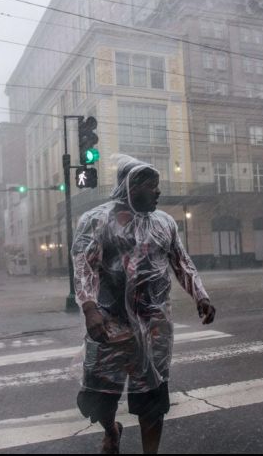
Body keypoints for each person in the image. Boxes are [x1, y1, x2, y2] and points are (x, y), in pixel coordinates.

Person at [72, 154, 216, 454]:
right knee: (98, 398)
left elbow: (181, 261)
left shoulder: (164, 223)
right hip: (109, 324)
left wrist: (200, 295)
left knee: (152, 400)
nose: (158, 192)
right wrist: (89, 309)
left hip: (153, 328)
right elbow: (83, 265)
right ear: (131, 187)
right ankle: (112, 431)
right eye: (152, 186)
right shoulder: (97, 221)